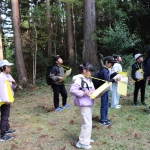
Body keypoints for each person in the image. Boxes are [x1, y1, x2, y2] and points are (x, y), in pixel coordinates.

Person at [69, 63, 95, 149]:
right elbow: (72, 90)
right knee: (86, 123)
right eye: (90, 71)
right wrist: (83, 93)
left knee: (88, 122)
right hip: (84, 104)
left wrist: (98, 93)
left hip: (89, 103)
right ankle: (82, 142)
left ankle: (86, 138)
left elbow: (92, 91)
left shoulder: (88, 80)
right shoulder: (79, 79)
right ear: (84, 70)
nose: (91, 72)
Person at [96, 56, 120, 126]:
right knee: (104, 104)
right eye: (111, 63)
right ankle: (103, 120)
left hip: (106, 89)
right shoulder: (103, 70)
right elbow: (107, 81)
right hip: (103, 89)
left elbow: (108, 77)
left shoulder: (106, 70)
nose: (112, 65)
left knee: (106, 104)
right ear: (106, 62)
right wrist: (114, 80)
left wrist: (115, 74)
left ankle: (105, 118)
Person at [0, 60, 17, 141]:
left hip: (8, 99)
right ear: (3, 68)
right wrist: (5, 100)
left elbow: (13, 87)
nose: (9, 68)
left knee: (6, 115)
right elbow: (1, 90)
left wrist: (13, 82)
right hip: (3, 100)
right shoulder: (1, 77)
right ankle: (3, 135)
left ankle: (7, 129)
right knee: (4, 117)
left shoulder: (8, 76)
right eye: (8, 66)